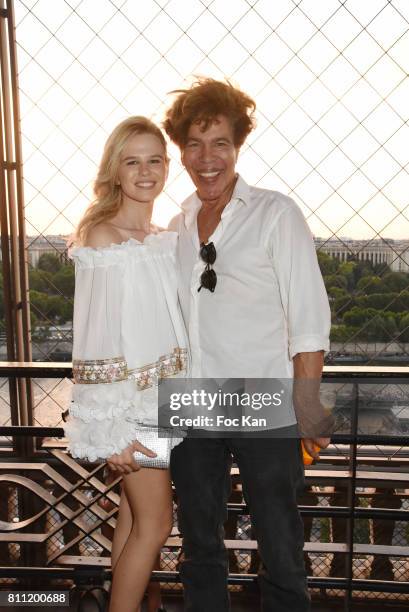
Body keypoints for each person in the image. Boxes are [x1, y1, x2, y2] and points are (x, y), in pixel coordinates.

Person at [164, 78, 332, 612]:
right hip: (192, 401)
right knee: (199, 547)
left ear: (238, 147)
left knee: (281, 547)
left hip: (264, 397)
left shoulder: (276, 214)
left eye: (219, 143)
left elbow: (308, 317)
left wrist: (307, 405)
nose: (206, 157)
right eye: (194, 143)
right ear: (181, 151)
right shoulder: (177, 223)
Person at [63, 116, 188, 612]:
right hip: (133, 412)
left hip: (160, 401)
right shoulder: (102, 239)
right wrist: (114, 431)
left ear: (166, 166)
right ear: (115, 170)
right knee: (157, 523)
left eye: (154, 159)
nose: (144, 171)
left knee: (134, 521)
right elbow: (95, 342)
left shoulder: (161, 238)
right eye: (132, 161)